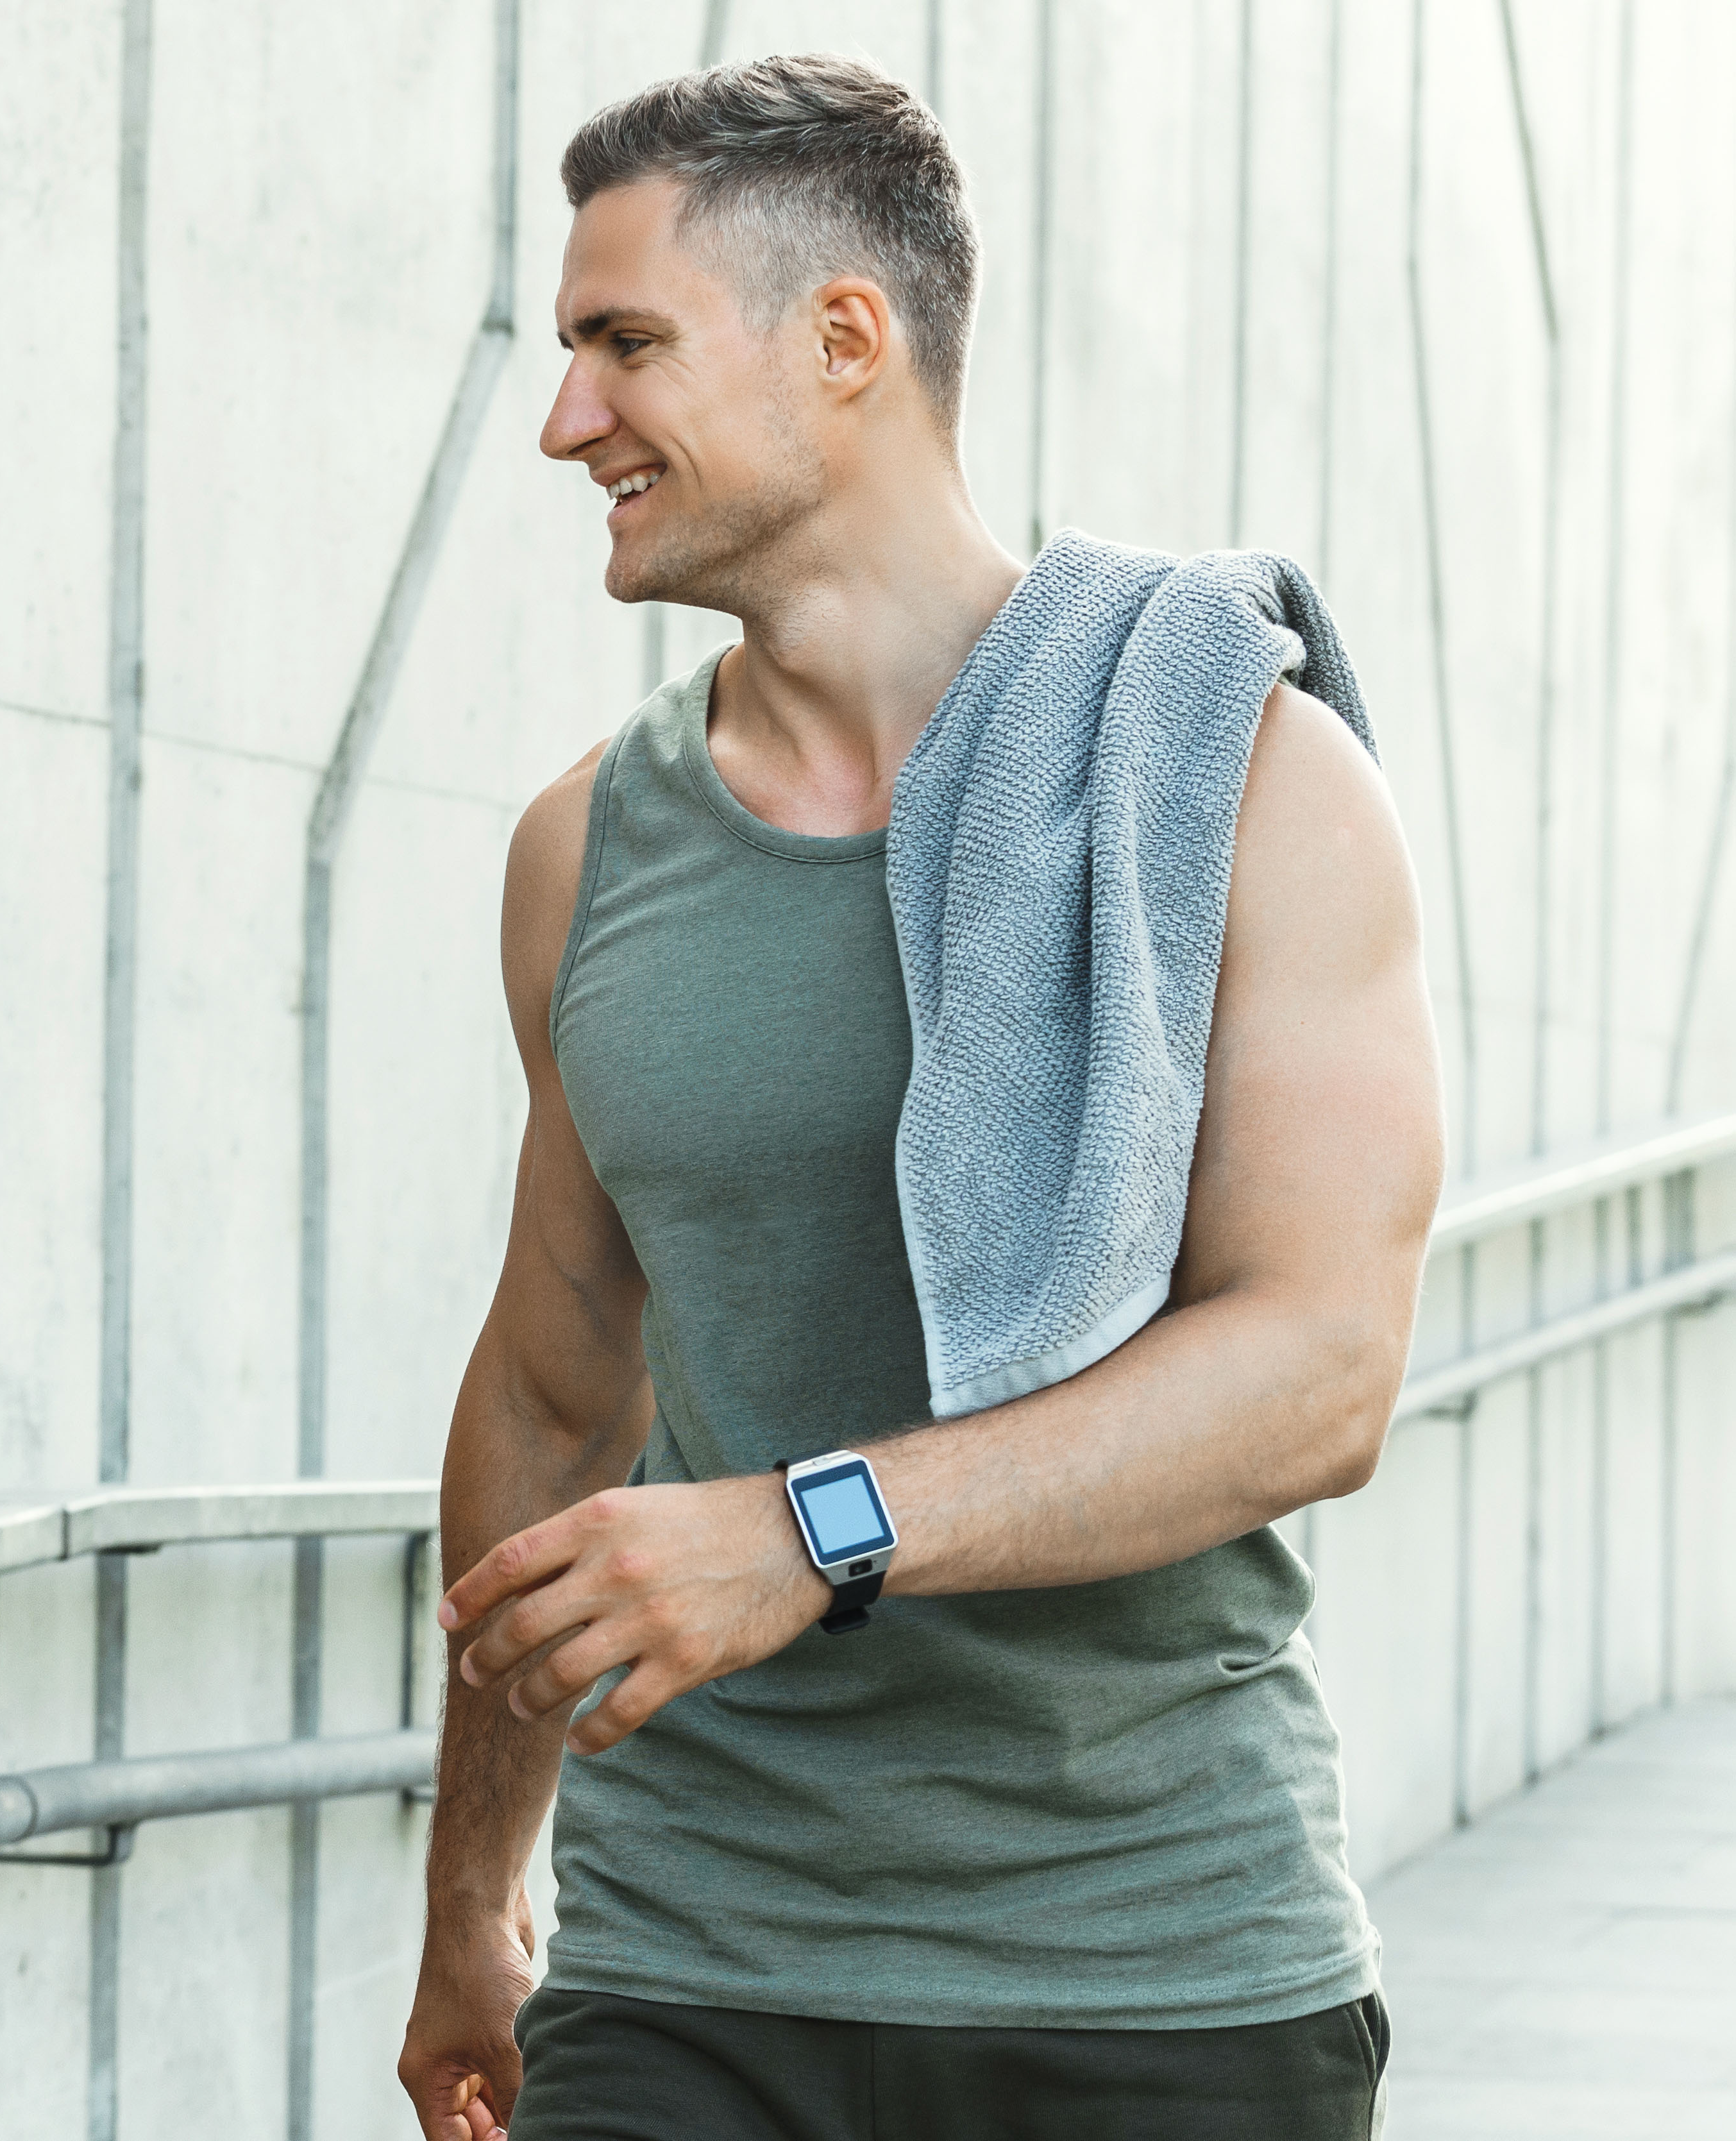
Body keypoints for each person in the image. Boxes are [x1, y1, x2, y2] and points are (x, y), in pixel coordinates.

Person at [395, 58, 1431, 2141]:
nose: (565, 417)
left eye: (626, 345)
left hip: (1158, 1967)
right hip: (683, 1965)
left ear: (844, 341)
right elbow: (552, 1383)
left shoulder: (1241, 775)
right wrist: (469, 1896)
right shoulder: (583, 850)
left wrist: (808, 1530)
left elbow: (1321, 1369)